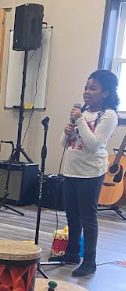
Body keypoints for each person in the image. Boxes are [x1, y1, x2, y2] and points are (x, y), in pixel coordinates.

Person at [60, 69, 119, 276]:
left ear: (105, 93)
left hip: (91, 173)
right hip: (71, 170)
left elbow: (94, 144)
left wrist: (80, 122)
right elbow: (63, 144)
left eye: (92, 88)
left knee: (87, 217)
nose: (86, 92)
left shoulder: (109, 115)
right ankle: (71, 253)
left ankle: (90, 261)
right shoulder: (82, 112)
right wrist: (66, 132)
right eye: (86, 87)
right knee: (72, 216)